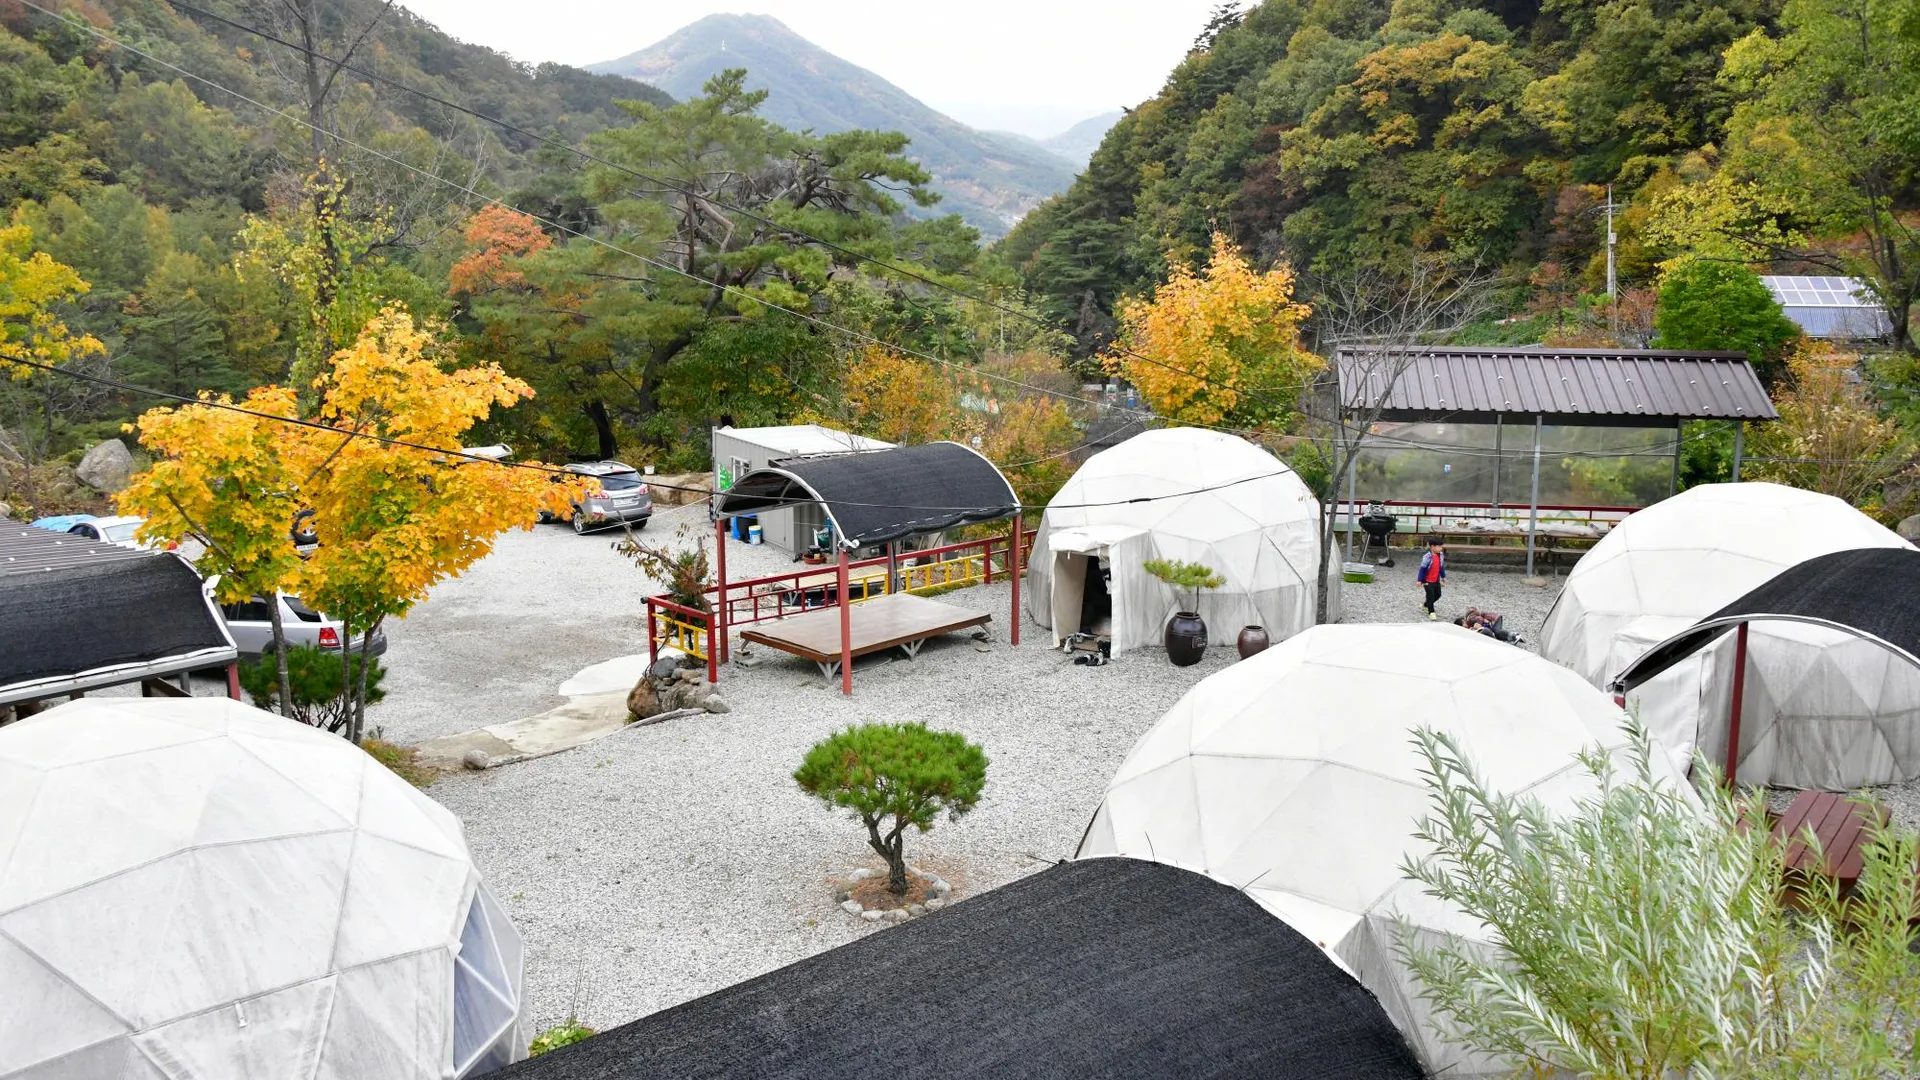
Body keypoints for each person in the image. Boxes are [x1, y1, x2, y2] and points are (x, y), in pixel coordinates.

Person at [1416, 536, 1446, 620]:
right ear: (1432, 547)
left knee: (1438, 595)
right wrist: (1419, 580)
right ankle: (1431, 612)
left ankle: (1426, 605)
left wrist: (1443, 577)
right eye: (1439, 546)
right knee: (1430, 596)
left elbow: (1441, 567)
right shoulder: (1427, 557)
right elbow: (1422, 569)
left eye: (1441, 546)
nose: (1441, 548)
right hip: (1427, 581)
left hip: (1436, 580)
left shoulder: (1441, 555)